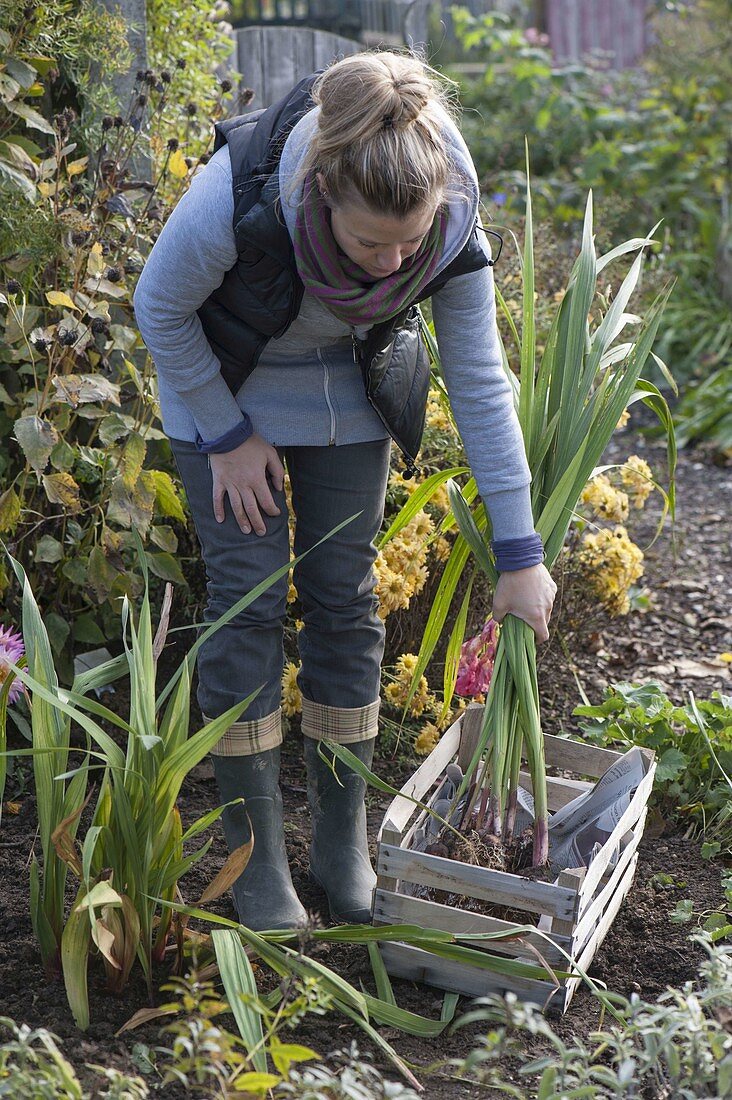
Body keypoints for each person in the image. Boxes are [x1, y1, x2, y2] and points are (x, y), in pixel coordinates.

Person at [133, 50, 557, 932]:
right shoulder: (238, 196)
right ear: (324, 191)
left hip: (351, 393)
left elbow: (480, 381)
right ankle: (257, 863)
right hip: (227, 383)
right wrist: (227, 432)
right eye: (372, 243)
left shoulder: (449, 214)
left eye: (413, 240)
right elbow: (159, 309)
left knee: (344, 601)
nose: (395, 260)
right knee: (247, 603)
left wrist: (522, 554)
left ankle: (340, 841)